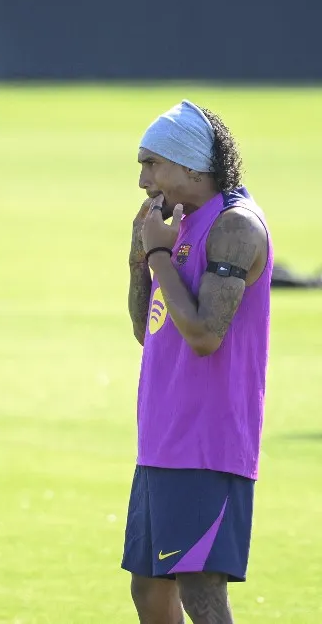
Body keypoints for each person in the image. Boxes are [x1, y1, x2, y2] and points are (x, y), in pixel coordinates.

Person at [123, 100, 273, 623]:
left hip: (207, 445)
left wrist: (160, 256)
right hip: (163, 439)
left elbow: (207, 334)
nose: (143, 179)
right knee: (149, 588)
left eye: (152, 164)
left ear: (191, 167)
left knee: (201, 594)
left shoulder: (234, 226)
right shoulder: (175, 221)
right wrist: (141, 257)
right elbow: (149, 328)